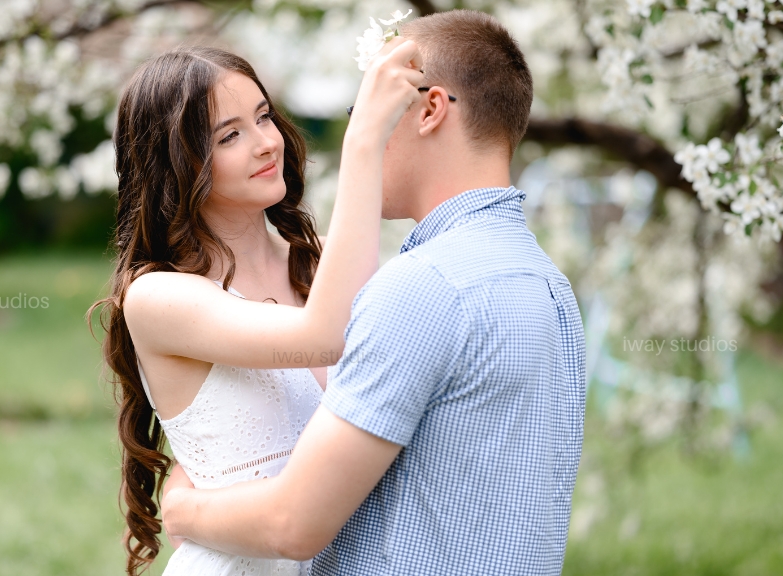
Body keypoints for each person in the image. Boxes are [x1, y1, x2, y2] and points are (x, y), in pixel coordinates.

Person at [160, 9, 588, 576]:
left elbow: (294, 524)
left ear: (429, 109)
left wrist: (182, 510)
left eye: (367, 106)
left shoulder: (422, 290)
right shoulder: (552, 289)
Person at [91, 41, 425, 576]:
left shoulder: (312, 265)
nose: (268, 143)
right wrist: (363, 143)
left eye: (264, 117)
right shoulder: (159, 298)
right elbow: (325, 338)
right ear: (177, 164)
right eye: (231, 135)